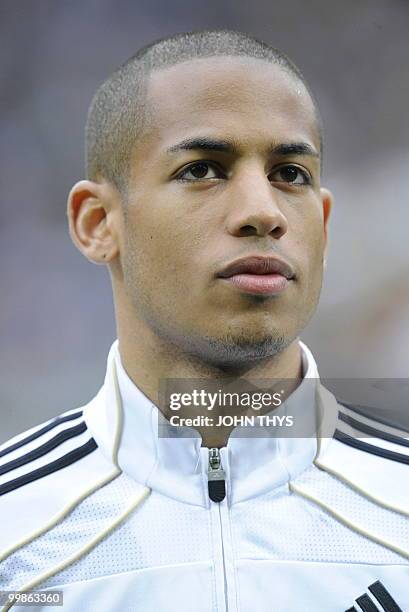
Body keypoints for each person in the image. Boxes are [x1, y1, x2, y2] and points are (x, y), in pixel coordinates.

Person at [0, 29, 408, 612]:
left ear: (323, 223)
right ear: (97, 222)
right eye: (202, 169)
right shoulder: (13, 533)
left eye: (289, 173)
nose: (263, 212)